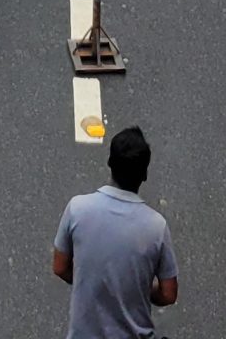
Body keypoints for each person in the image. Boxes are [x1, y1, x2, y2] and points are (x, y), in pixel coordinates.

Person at [52, 126, 179, 339]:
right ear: (145, 174)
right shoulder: (157, 227)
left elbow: (59, 266)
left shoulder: (77, 209)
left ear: (110, 164)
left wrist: (97, 283)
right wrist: (131, 289)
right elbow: (168, 293)